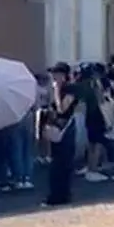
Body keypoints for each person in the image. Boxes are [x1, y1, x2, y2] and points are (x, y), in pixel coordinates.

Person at [42, 62, 78, 205]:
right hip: (56, 127)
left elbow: (62, 108)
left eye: (56, 74)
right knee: (56, 163)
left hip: (66, 128)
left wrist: (57, 91)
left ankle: (61, 195)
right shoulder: (58, 89)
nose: (53, 77)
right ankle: (57, 194)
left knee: (62, 163)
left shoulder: (71, 89)